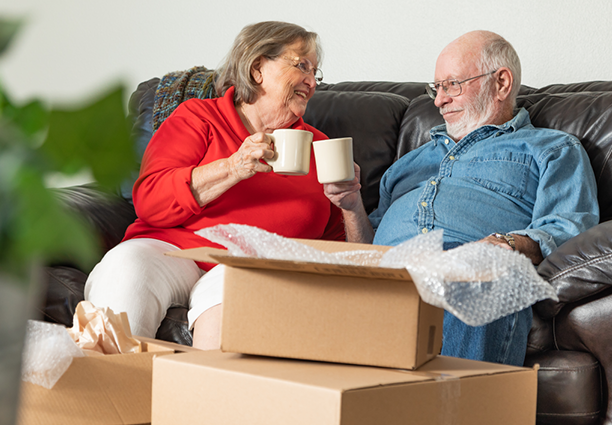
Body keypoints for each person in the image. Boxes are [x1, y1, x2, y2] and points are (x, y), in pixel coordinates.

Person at [324, 30, 599, 366]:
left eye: (452, 85)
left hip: (469, 271)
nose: (439, 101)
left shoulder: (551, 149)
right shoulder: (408, 163)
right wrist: (352, 205)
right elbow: (365, 252)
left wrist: (508, 244)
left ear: (501, 83)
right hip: (387, 278)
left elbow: (569, 225)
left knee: (493, 274)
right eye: (436, 88)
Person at [85, 21, 345, 349]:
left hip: (255, 265)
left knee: (238, 295)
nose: (311, 81)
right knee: (127, 268)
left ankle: (205, 397)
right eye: (302, 66)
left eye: (315, 73)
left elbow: (336, 242)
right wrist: (233, 167)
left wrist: (351, 203)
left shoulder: (320, 147)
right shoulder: (198, 118)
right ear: (257, 69)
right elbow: (150, 201)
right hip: (172, 250)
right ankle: (110, 394)